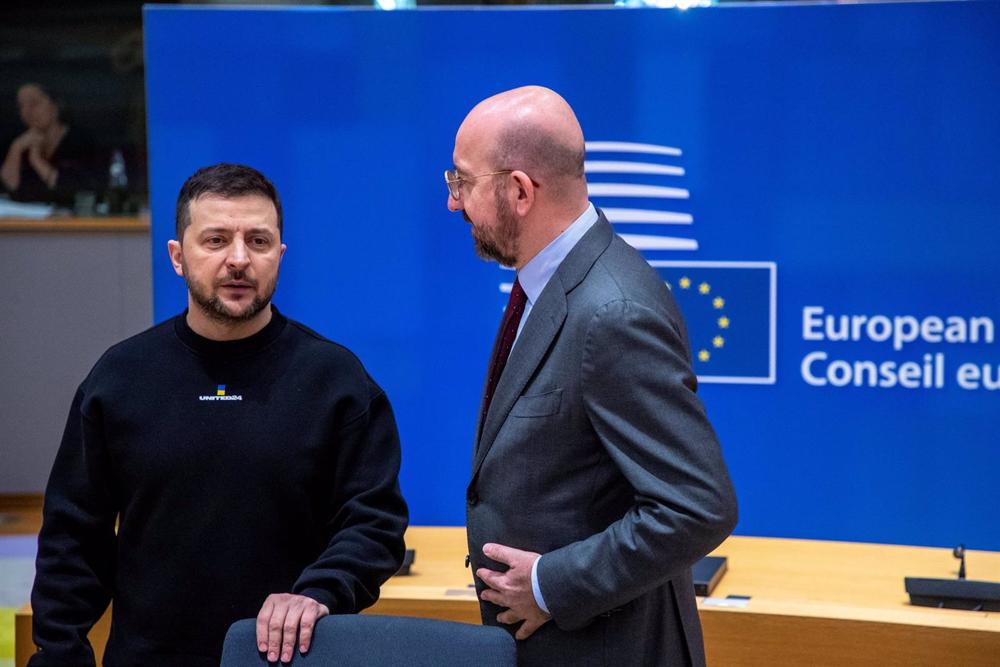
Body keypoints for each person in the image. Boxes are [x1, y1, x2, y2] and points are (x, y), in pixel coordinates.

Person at [30, 163, 408, 666]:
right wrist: (58, 654)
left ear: (280, 255)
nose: (238, 260)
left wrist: (321, 592)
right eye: (215, 240)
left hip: (291, 659)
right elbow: (72, 539)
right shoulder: (119, 378)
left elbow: (375, 524)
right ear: (177, 257)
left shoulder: (336, 381)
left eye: (258, 241)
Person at [446, 86, 738, 666]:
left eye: (463, 182)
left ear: (520, 190)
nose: (454, 203)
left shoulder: (613, 310)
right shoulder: (551, 283)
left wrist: (550, 585)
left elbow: (698, 506)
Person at [1, 83, 98, 208]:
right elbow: (10, 186)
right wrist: (16, 149)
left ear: (55, 105)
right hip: (26, 220)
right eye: (21, 106)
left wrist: (37, 161)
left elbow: (76, 189)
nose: (26, 111)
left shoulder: (80, 140)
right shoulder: (17, 141)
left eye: (33, 103)